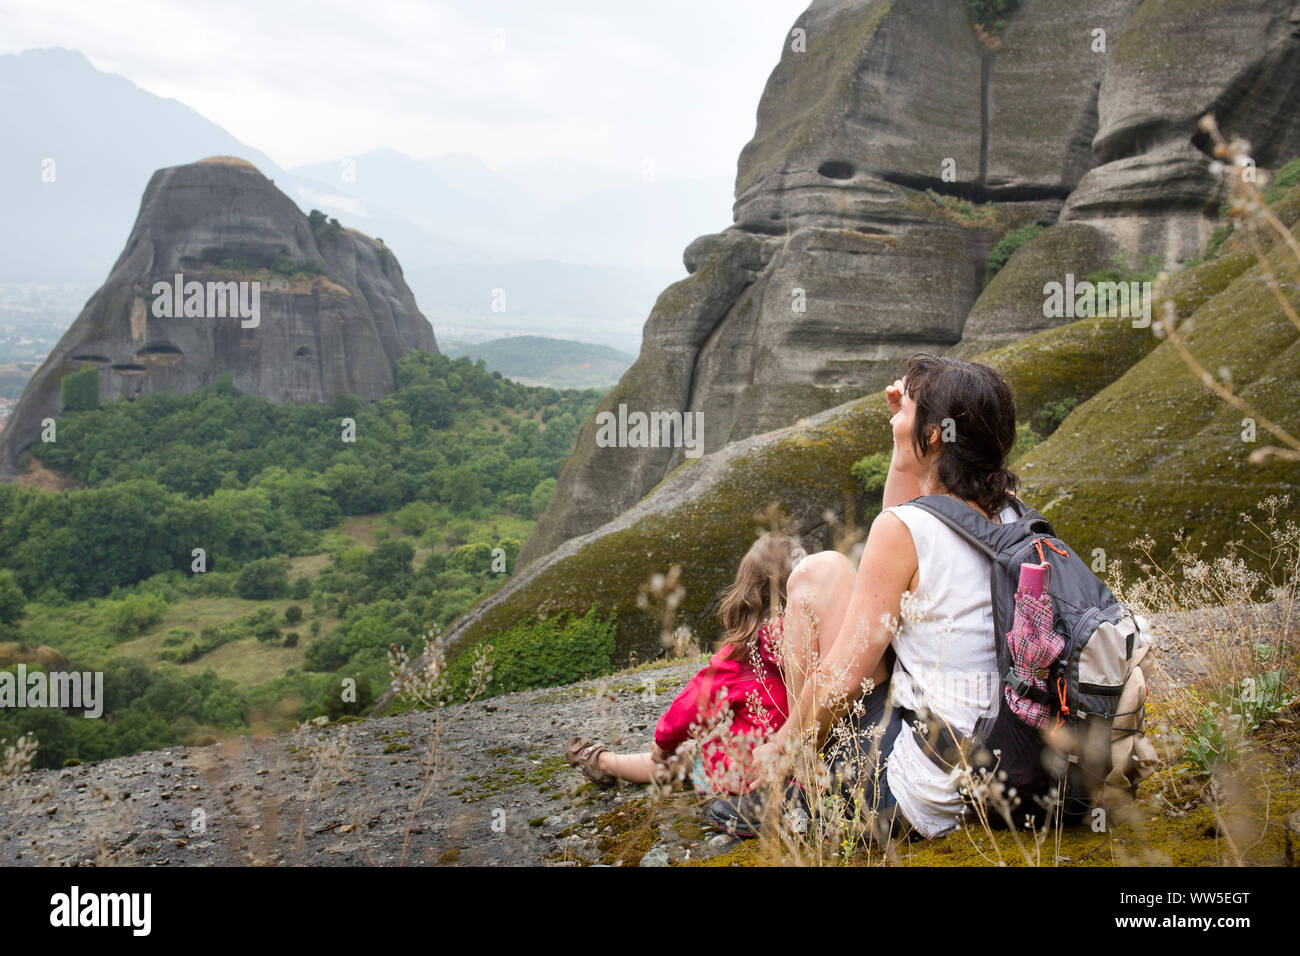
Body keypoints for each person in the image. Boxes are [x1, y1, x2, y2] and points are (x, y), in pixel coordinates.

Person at [713, 353, 1022, 841]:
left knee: (817, 573)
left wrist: (781, 748)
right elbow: (910, 514)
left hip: (924, 789)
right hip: (1003, 762)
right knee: (835, 574)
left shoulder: (904, 531)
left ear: (937, 433)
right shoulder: (1009, 515)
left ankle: (803, 784)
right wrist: (904, 425)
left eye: (908, 409)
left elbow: (841, 675)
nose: (897, 415)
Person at [565, 531, 802, 795]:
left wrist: (663, 744)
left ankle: (604, 762)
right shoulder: (820, 641)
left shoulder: (741, 656)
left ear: (747, 592)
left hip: (753, 771)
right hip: (818, 766)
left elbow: (691, 709)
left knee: (685, 759)